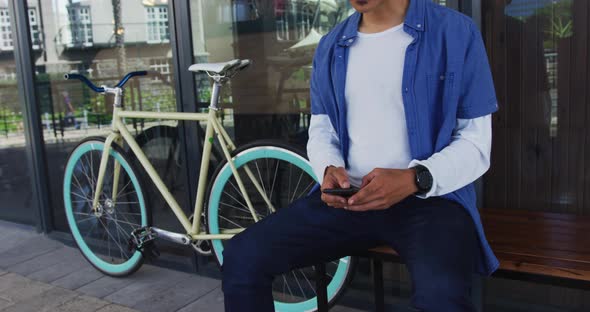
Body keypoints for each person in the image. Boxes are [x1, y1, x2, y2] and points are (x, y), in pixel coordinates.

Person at [222, 0, 499, 311]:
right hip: (350, 199)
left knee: (441, 296)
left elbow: (475, 144)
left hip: (431, 202)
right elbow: (322, 131)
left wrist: (415, 178)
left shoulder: (455, 32)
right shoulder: (331, 44)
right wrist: (328, 168)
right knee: (242, 256)